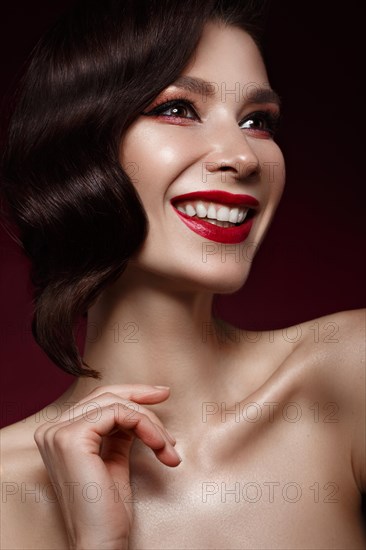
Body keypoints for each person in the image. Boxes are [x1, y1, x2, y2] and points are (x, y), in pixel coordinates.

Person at [0, 0, 365, 548]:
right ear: (80, 146)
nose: (242, 157)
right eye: (179, 110)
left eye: (257, 121)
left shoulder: (348, 375)